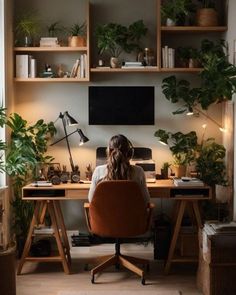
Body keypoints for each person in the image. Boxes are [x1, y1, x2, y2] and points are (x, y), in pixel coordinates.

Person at [88, 134, 150, 203]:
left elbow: (91, 200)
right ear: (129, 153)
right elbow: (146, 200)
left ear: (109, 152)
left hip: (105, 214)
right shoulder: (139, 171)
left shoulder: (98, 171)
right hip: (132, 214)